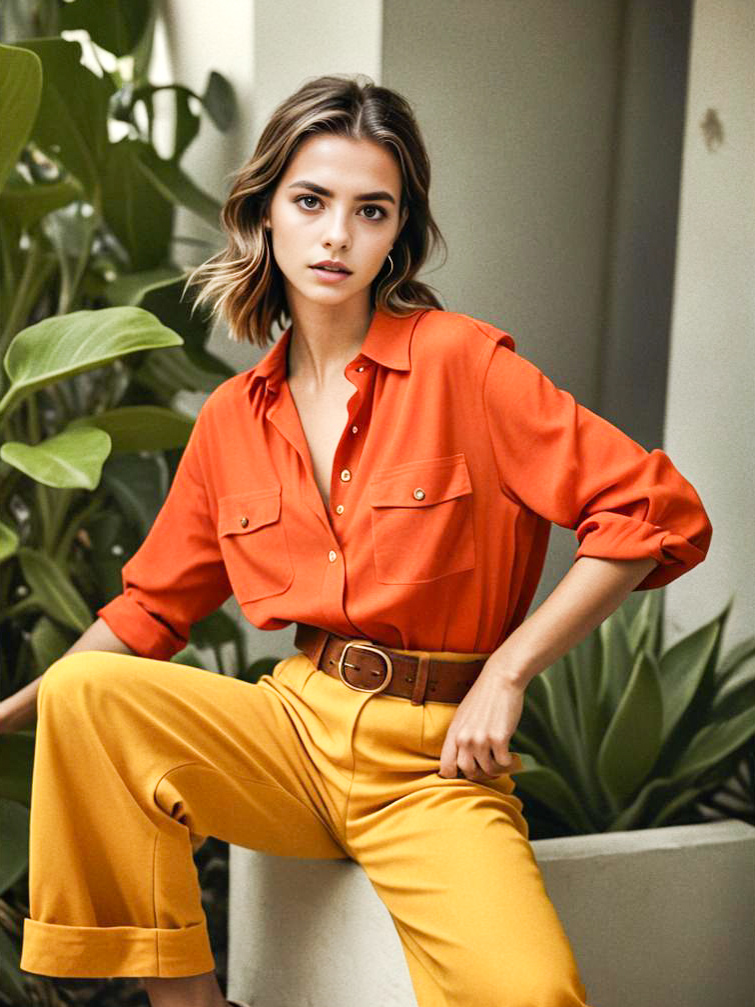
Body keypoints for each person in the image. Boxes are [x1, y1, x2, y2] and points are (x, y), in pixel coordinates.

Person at [3, 73, 712, 1007]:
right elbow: (149, 608)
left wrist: (506, 672)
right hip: (291, 730)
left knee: (529, 990)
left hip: (435, 761)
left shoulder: (465, 364)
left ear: (396, 234)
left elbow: (652, 511)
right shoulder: (229, 417)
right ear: (264, 214)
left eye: (369, 210)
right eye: (311, 201)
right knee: (93, 690)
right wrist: (10, 711)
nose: (337, 234)